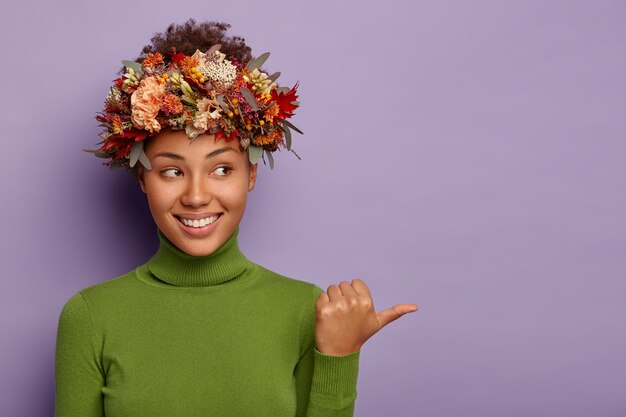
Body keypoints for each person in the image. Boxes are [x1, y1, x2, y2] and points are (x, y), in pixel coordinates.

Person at [55, 18, 419, 417]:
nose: (196, 196)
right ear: (143, 178)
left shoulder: (305, 310)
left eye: (222, 169)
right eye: (172, 171)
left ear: (252, 174)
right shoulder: (90, 317)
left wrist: (339, 358)